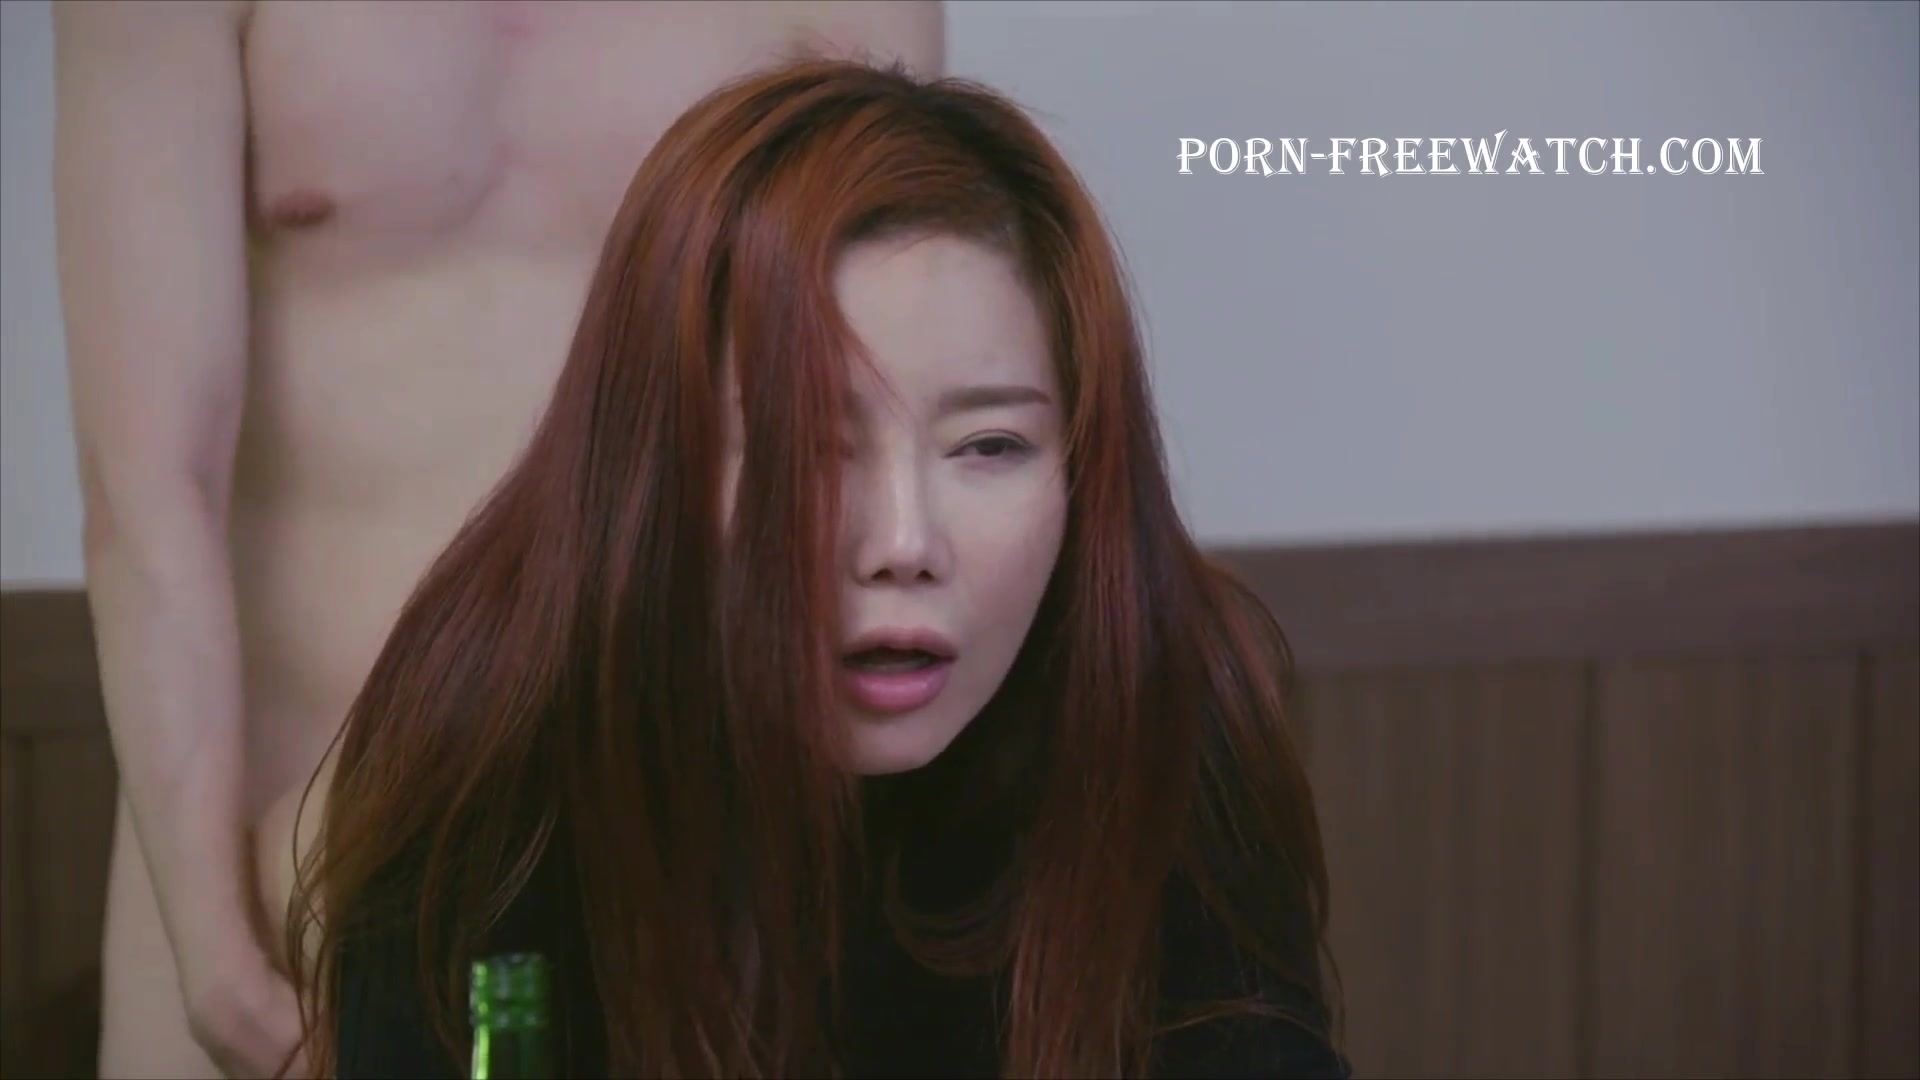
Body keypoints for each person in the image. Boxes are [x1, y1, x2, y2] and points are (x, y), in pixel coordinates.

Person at [254, 59, 1351, 1079]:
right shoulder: (497, 726)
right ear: (658, 462)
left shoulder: (1160, 697)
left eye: (989, 447)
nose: (904, 544)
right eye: (806, 452)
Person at [50, 3, 944, 1077]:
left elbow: (895, 381)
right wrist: (213, 949)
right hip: (265, 857)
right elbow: (149, 479)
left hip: (685, 845)